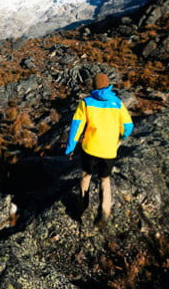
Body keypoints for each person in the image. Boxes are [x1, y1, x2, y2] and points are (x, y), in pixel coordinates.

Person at [65, 73, 133, 227]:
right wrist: (120, 138)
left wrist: (70, 148)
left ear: (93, 86)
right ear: (108, 85)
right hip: (109, 150)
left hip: (90, 148)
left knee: (86, 176)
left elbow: (76, 126)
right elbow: (128, 126)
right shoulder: (117, 103)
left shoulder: (86, 103)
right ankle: (104, 212)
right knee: (105, 180)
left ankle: (81, 207)